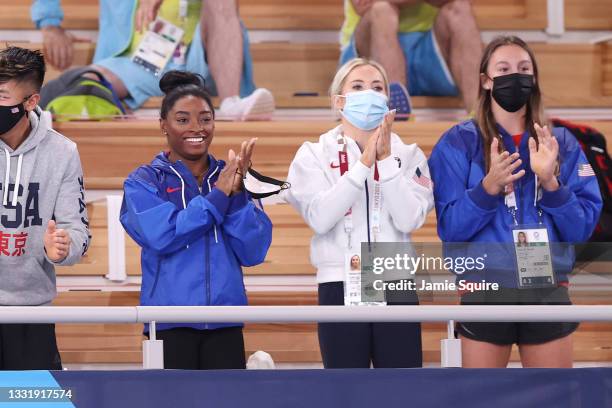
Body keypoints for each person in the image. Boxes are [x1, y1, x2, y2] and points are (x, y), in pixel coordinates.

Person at [428, 36, 602, 368]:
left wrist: (552, 184)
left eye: (524, 69)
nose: (515, 77)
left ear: (533, 79)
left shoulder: (562, 143)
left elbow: (581, 228)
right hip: (484, 287)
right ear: (486, 80)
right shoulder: (457, 142)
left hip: (547, 288)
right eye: (504, 69)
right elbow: (450, 228)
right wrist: (487, 189)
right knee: (484, 399)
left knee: (553, 397)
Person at [285, 58, 434, 368]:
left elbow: (409, 219)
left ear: (388, 101)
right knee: (346, 392)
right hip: (339, 283)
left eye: (377, 87)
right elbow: (320, 218)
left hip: (397, 283)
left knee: (401, 390)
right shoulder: (313, 153)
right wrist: (363, 166)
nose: (369, 93)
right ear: (339, 100)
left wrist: (385, 162)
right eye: (357, 86)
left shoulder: (409, 154)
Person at [120, 70, 272, 369]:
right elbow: (162, 236)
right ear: (163, 124)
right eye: (182, 119)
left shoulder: (231, 176)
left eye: (205, 118)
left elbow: (253, 251)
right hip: (167, 324)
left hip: (225, 323)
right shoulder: (144, 181)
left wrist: (238, 195)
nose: (196, 128)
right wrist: (219, 196)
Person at [32, 0, 275, 120]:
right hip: (135, 60)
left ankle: (232, 103)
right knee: (83, 84)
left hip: (204, 57)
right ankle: (109, 105)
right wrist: (50, 23)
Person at [0, 46, 90, 369]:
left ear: (31, 102)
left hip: (34, 317)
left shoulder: (63, 152)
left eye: (2, 96)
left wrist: (63, 247)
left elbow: (79, 233)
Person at [340, 0, 482, 114]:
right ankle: (394, 115)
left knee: (460, 7)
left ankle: (481, 117)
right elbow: (362, 4)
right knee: (381, 9)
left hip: (427, 49)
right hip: (370, 50)